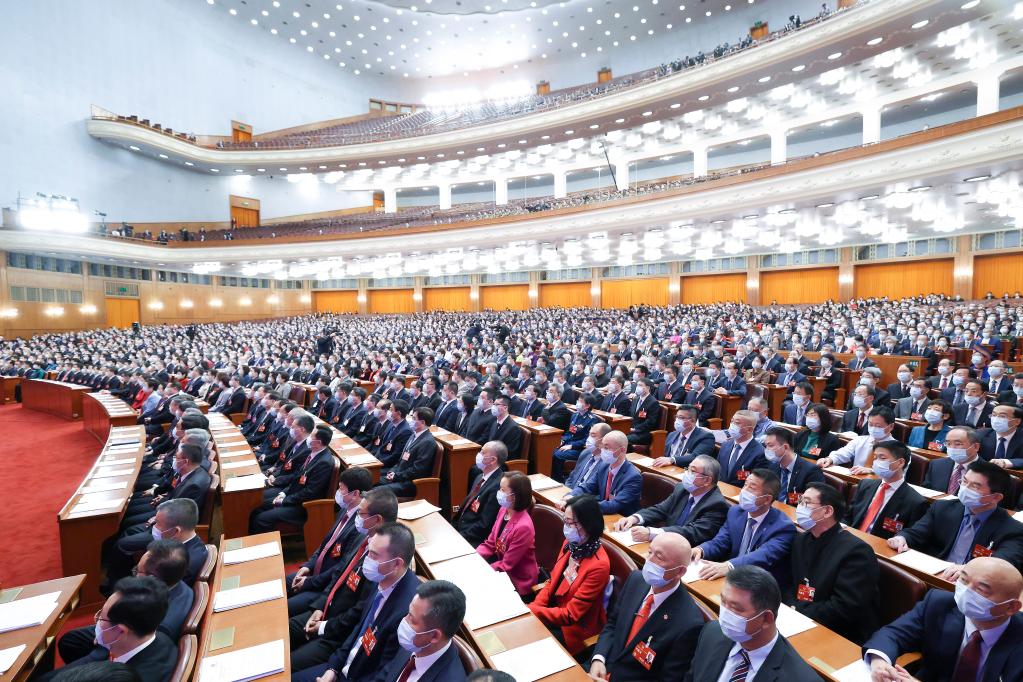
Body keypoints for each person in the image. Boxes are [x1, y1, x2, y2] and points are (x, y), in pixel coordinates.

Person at [292, 523, 420, 682]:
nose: (366, 559)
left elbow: (384, 673)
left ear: (396, 564)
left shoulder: (408, 611)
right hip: (342, 666)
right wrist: (333, 668)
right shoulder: (384, 579)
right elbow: (359, 629)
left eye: (373, 555)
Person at [862, 556, 1023, 682]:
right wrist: (880, 662)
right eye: (963, 580)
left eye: (981, 589)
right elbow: (893, 634)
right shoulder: (940, 604)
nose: (966, 591)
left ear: (1011, 607)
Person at [289, 488, 399, 671]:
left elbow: (359, 612)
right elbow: (339, 573)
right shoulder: (364, 538)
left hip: (338, 635)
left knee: (290, 665)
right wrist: (320, 606)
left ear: (377, 519)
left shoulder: (382, 563)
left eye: (361, 513)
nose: (357, 517)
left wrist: (324, 627)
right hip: (326, 611)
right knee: (285, 629)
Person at [589, 533, 707, 680]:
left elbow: (667, 679)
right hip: (602, 666)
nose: (649, 560)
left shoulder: (688, 623)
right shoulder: (636, 580)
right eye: (650, 552)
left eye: (659, 557)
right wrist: (598, 658)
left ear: (680, 571)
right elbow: (613, 624)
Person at [58, 540, 194, 666]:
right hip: (124, 628)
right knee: (70, 640)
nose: (134, 574)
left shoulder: (164, 626)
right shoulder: (175, 582)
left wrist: (103, 643)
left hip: (122, 645)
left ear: (153, 579)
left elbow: (131, 643)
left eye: (137, 571)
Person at [888, 460, 1023, 582]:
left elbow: (1002, 563)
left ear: (996, 497)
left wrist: (969, 569)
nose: (965, 488)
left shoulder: (1012, 530)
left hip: (970, 585)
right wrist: (902, 538)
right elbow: (916, 533)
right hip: (934, 575)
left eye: (975, 486)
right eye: (964, 481)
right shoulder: (942, 508)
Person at [684, 566, 821, 682]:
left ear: (766, 619)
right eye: (724, 602)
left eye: (735, 608)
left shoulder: (799, 678)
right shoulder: (711, 633)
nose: (725, 613)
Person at [787, 483, 880, 644]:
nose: (800, 507)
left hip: (839, 633)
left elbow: (844, 608)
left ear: (827, 511)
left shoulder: (857, 552)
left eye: (806, 503)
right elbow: (788, 582)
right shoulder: (801, 539)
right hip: (798, 618)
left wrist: (796, 610)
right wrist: (790, 607)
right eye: (800, 501)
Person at [39, 578, 178, 682]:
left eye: (101, 618)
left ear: (121, 631)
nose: (97, 622)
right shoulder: (155, 635)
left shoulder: (133, 677)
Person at [529, 495, 611, 655]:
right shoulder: (570, 544)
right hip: (552, 611)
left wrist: (533, 612)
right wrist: (535, 607)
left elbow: (570, 615)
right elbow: (552, 581)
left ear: (588, 524)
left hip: (571, 628)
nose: (565, 527)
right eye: (565, 521)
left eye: (570, 523)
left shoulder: (599, 565)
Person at [287, 466, 374, 614]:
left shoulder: (360, 526)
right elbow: (326, 545)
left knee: (285, 608)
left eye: (341, 489)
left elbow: (341, 567)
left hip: (324, 586)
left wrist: (309, 582)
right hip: (315, 572)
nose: (338, 492)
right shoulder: (345, 509)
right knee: (282, 584)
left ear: (355, 494)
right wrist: (307, 566)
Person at [692, 469, 795, 585]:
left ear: (767, 499)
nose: (744, 491)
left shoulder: (783, 528)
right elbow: (721, 541)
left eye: (751, 488)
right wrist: (701, 549)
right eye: (745, 484)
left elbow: (763, 556)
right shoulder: (736, 512)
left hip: (758, 584)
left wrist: (729, 566)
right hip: (731, 579)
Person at [614, 454, 728, 547]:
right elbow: (661, 510)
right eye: (687, 469)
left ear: (707, 480)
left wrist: (651, 533)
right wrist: (634, 518)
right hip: (666, 544)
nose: (687, 474)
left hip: (688, 552)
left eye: (692, 471)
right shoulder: (682, 489)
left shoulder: (717, 505)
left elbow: (692, 532)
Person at [105, 498, 208, 589]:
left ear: (176, 531)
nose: (154, 527)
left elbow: (154, 593)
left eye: (158, 524)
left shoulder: (182, 565)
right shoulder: (187, 543)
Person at [250, 425, 335, 533]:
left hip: (302, 506)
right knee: (257, 506)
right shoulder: (313, 453)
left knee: (261, 519)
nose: (308, 438)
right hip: (292, 496)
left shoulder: (324, 463)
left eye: (311, 436)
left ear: (318, 443)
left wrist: (285, 500)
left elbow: (310, 492)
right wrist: (284, 493)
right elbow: (297, 478)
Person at [378, 580, 468, 682]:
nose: (404, 621)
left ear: (434, 636)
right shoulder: (412, 644)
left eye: (412, 619)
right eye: (408, 613)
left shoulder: (450, 678)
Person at [845, 440, 928, 539]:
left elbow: (911, 537)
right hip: (851, 538)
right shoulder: (865, 484)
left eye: (882, 458)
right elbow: (848, 517)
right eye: (875, 458)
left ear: (900, 463)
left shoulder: (915, 502)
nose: (876, 462)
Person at [476, 471, 538, 596]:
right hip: (501, 570)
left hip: (518, 579)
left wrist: (480, 571)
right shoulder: (504, 510)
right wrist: (473, 558)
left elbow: (507, 565)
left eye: (503, 490)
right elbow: (490, 543)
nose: (499, 492)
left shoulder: (524, 527)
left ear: (515, 496)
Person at [564, 431, 642, 516]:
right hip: (603, 513)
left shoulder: (633, 477)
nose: (603, 451)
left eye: (607, 448)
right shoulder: (603, 466)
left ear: (622, 450)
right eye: (603, 446)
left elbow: (615, 505)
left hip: (622, 518)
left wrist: (580, 506)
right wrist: (571, 496)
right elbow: (588, 486)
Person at [453, 441, 507, 547]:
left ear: (493, 460)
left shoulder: (497, 486)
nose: (478, 455)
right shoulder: (479, 477)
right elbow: (467, 507)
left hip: (472, 539)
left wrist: (459, 538)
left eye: (482, 452)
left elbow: (484, 525)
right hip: (461, 529)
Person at [377, 407, 438, 498]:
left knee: (376, 491)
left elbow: (417, 470)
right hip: (399, 475)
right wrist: (392, 471)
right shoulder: (413, 435)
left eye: (414, 418)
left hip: (410, 483)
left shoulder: (428, 442)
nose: (410, 421)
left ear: (422, 422)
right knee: (372, 480)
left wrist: (396, 476)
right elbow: (400, 461)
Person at [816, 406, 898, 473]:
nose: (873, 428)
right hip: (855, 478)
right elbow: (844, 453)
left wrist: (871, 471)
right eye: (870, 424)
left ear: (891, 426)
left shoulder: (897, 448)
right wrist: (829, 459)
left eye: (878, 426)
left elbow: (895, 472)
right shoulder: (860, 440)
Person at [763, 426, 824, 504]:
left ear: (785, 447)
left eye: (770, 445)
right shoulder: (772, 466)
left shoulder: (811, 471)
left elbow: (813, 500)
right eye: (766, 446)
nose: (767, 449)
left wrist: (788, 500)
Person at [551, 394, 601, 481]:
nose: (577, 403)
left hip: (579, 448)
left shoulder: (592, 419)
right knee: (551, 449)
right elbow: (570, 432)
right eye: (578, 400)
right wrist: (562, 440)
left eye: (580, 401)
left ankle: (558, 479)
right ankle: (553, 476)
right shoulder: (575, 415)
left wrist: (572, 446)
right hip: (568, 443)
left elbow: (587, 439)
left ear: (587, 405)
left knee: (557, 454)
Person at [922, 426, 981, 495]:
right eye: (948, 444)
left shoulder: (987, 472)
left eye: (958, 444)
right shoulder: (936, 464)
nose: (952, 448)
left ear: (976, 447)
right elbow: (925, 492)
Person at [716, 410, 768, 486]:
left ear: (749, 429)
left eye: (737, 423)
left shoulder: (760, 453)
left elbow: (755, 481)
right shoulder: (725, 445)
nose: (732, 425)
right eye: (732, 421)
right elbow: (718, 470)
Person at [564, 422, 611, 489]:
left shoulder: (607, 464)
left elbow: (598, 491)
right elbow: (572, 477)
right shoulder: (585, 453)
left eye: (593, 435)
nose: (589, 438)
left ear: (604, 440)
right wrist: (566, 490)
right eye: (589, 435)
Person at [627, 378, 661, 450]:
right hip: (631, 430)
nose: (637, 387)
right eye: (637, 385)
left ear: (648, 388)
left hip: (643, 433)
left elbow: (650, 422)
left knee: (624, 439)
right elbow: (630, 415)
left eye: (640, 385)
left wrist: (635, 429)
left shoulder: (653, 402)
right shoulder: (635, 399)